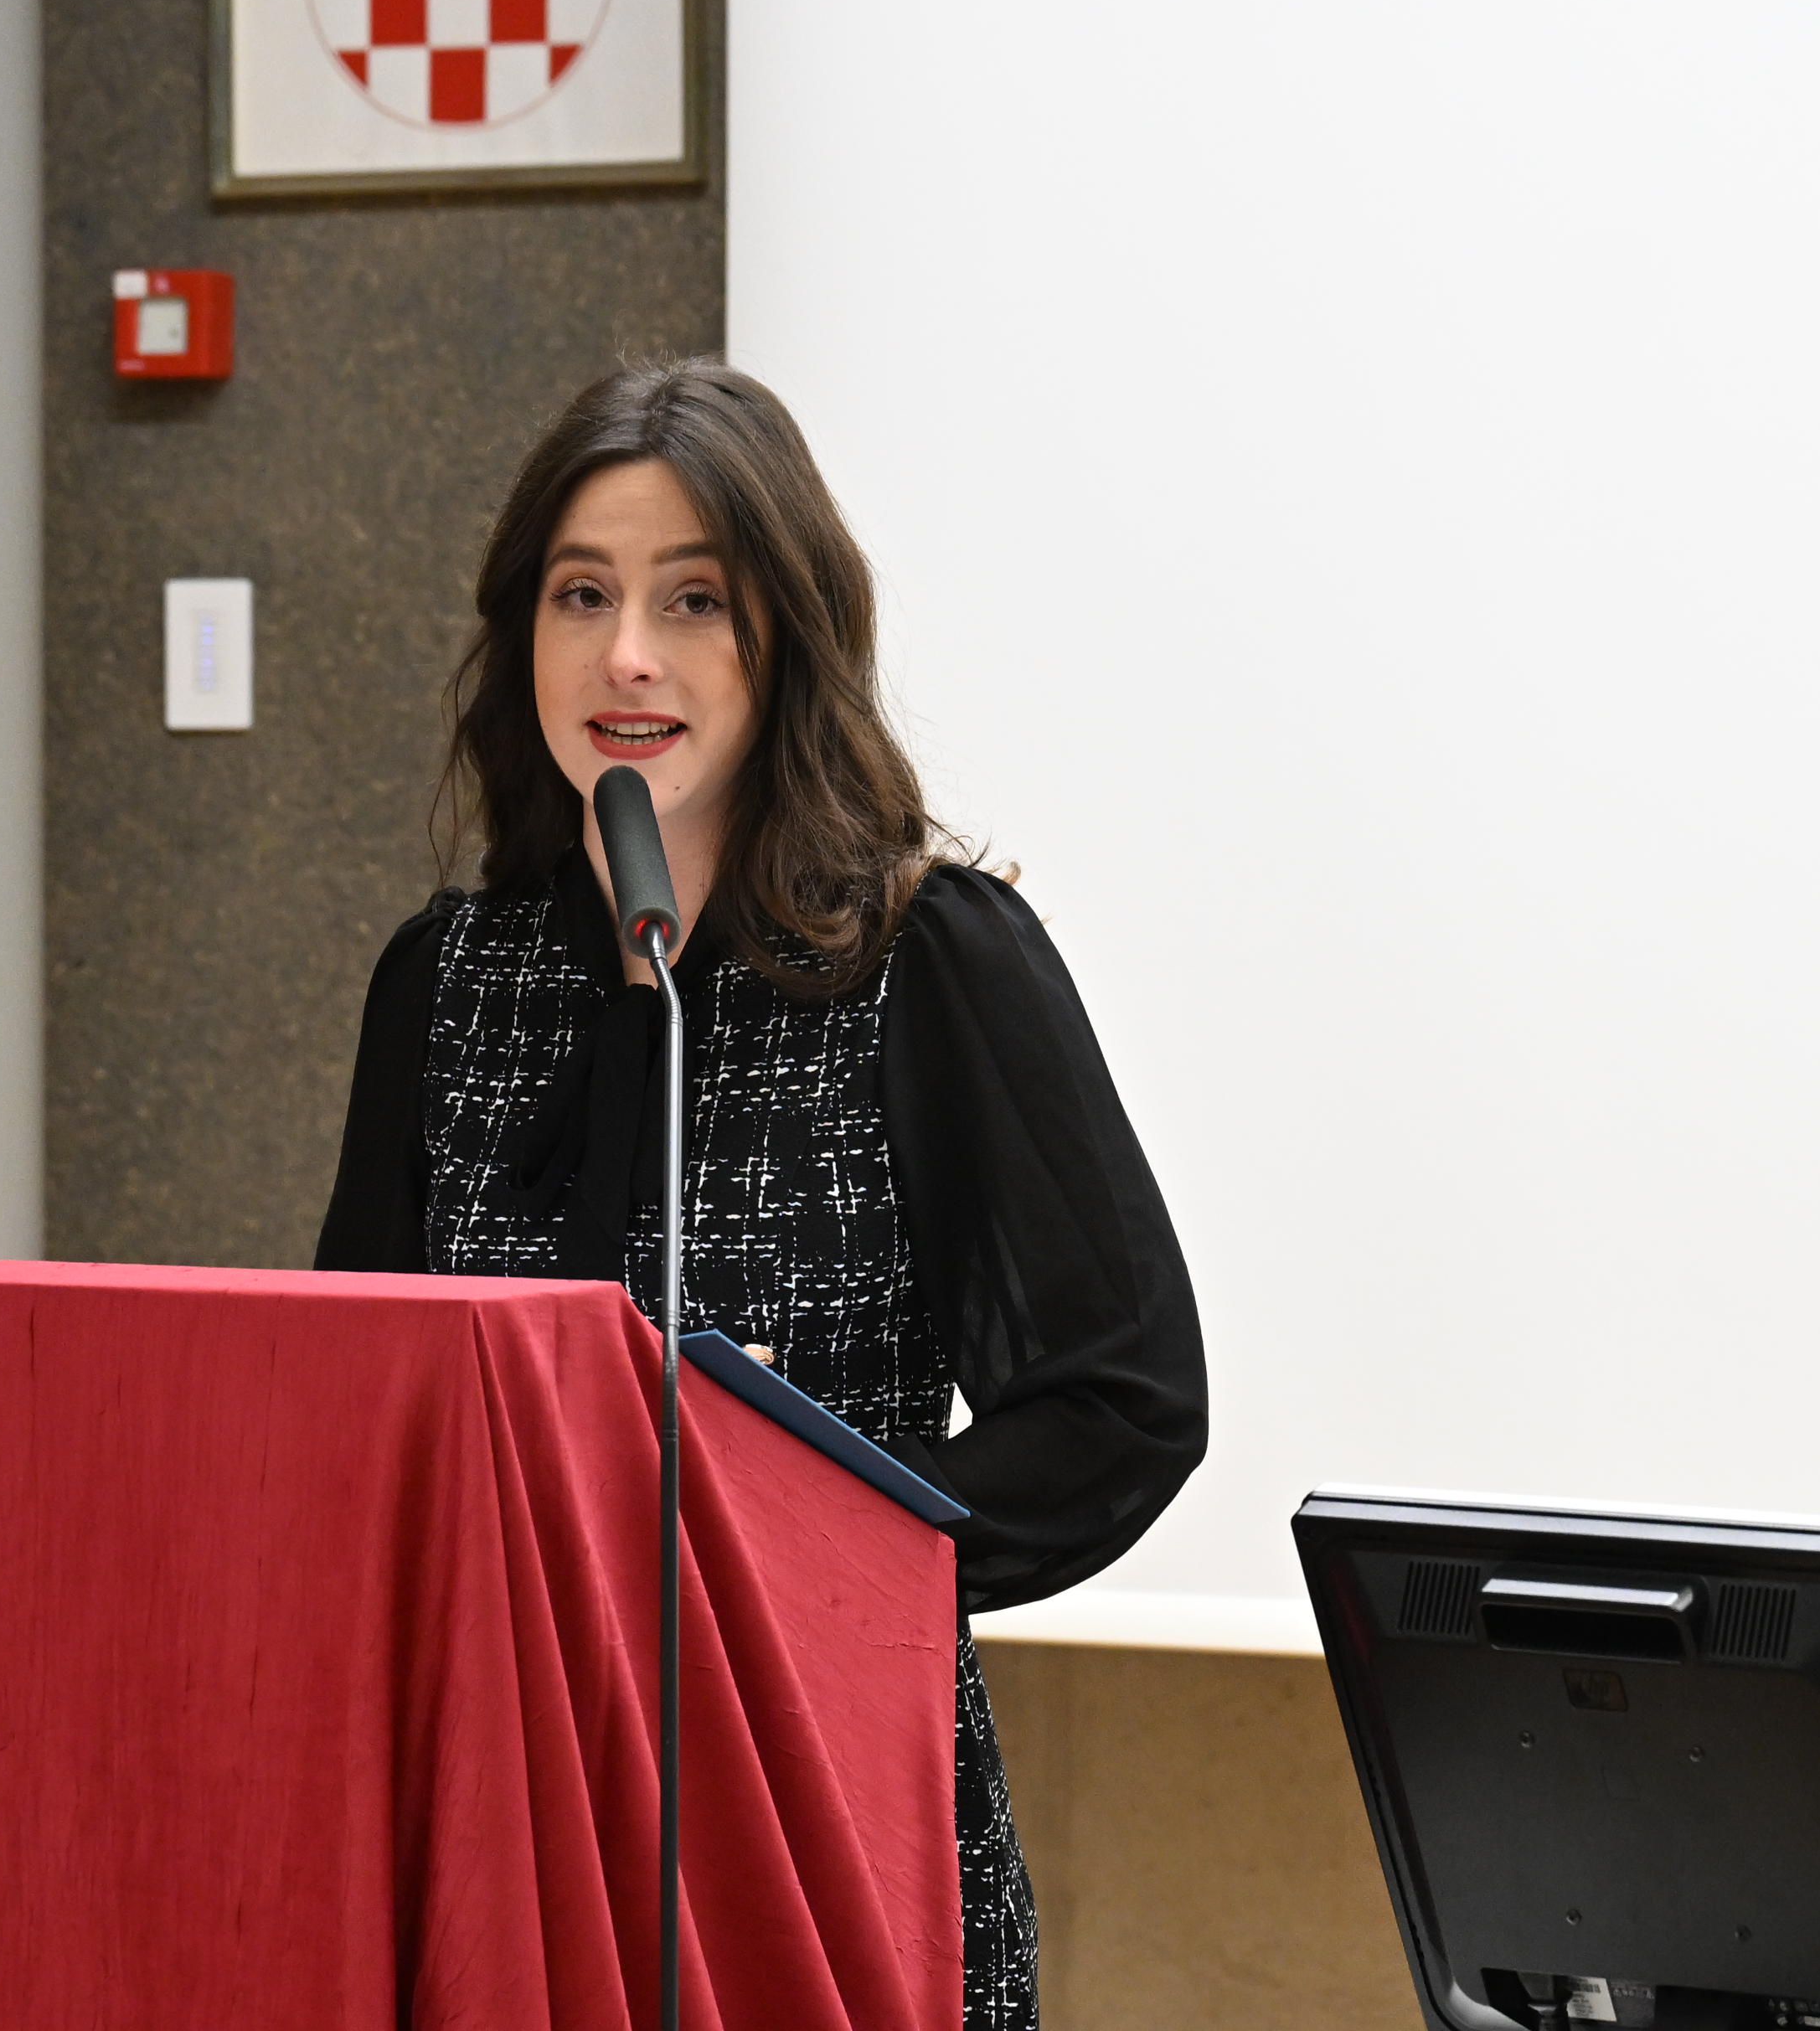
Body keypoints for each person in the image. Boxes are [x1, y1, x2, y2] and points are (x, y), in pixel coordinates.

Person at [314, 358, 1207, 2031]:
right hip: (501, 1814)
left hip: (825, 1803)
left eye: (694, 600)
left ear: (787, 637)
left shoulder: (928, 958)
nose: (627, 656)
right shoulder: (446, 985)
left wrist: (801, 1548)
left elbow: (1122, 1402)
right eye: (583, 595)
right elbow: (356, 1412)